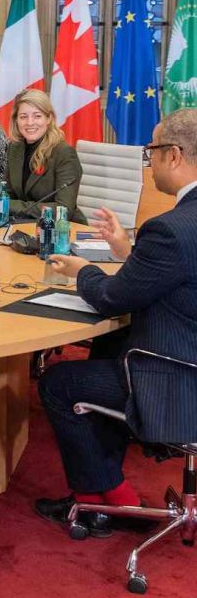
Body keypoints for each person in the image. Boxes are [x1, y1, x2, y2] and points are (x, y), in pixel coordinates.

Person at [35, 108, 197, 535]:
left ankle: (108, 499)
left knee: (58, 383)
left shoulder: (170, 228)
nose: (150, 163)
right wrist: (128, 251)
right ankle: (96, 498)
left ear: (175, 156)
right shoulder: (177, 228)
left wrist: (80, 269)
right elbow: (177, 277)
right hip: (186, 348)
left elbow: (111, 298)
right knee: (109, 349)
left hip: (178, 375)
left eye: (153, 153)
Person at [5, 88, 84, 220]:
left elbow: (63, 209)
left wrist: (8, 206)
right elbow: (8, 194)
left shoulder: (64, 153)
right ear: (16, 120)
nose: (30, 123)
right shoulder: (14, 148)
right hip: (24, 225)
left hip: (62, 230)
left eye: (37, 116)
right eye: (23, 117)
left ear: (49, 118)